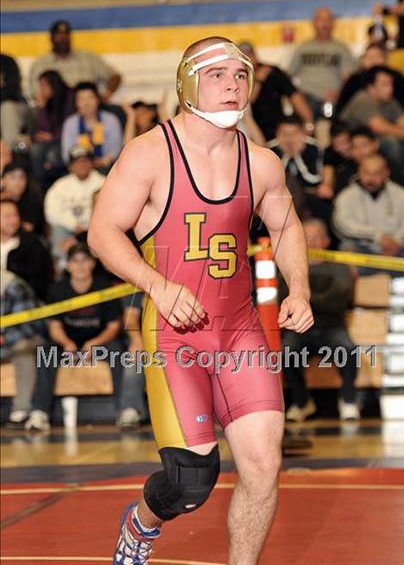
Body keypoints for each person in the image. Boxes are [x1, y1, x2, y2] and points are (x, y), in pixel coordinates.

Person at [89, 36, 313, 565]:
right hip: (173, 332)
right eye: (218, 75)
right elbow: (102, 233)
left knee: (262, 466)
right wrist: (158, 285)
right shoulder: (149, 153)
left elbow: (286, 227)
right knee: (191, 482)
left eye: (240, 75)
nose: (232, 85)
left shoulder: (261, 163)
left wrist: (298, 287)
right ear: (189, 82)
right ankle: (142, 523)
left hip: (238, 331)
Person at [25, 243, 124, 432]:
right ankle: (39, 413)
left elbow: (114, 326)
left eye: (84, 261)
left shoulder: (104, 287)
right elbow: (54, 327)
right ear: (68, 265)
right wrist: (67, 343)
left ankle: (125, 410)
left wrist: (95, 343)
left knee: (118, 350)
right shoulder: (57, 290)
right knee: (46, 353)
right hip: (67, 345)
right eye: (75, 261)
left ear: (92, 263)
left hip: (99, 344)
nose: (80, 266)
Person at [282, 218, 359, 422]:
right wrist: (319, 295)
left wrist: (302, 297)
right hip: (298, 328)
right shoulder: (289, 268)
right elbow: (282, 294)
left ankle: (348, 401)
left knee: (349, 350)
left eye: (316, 238)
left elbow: (339, 299)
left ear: (326, 241)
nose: (312, 243)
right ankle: (302, 402)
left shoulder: (338, 266)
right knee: (286, 352)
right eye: (306, 238)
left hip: (331, 326)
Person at [333, 154, 404, 275]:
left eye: (377, 173)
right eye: (366, 173)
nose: (370, 178)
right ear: (359, 172)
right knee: (347, 248)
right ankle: (350, 293)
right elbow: (343, 225)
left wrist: (397, 241)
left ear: (386, 173)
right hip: (365, 250)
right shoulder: (346, 196)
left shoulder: (402, 195)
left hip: (399, 250)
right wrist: (378, 237)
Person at [340, 66, 404, 165]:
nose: (390, 88)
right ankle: (395, 176)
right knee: (391, 142)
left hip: (374, 140)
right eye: (385, 84)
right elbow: (380, 127)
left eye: (391, 84)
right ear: (371, 88)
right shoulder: (363, 99)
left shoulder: (390, 100)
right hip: (351, 144)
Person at [238, 41, 313, 141]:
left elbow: (294, 95)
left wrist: (308, 122)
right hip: (249, 131)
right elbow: (246, 104)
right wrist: (259, 81)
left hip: (277, 132)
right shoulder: (236, 76)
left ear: (255, 56)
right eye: (243, 57)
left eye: (250, 55)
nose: (248, 60)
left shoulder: (271, 71)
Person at [28, 20, 121, 100]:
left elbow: (115, 76)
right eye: (59, 35)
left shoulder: (88, 58)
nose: (63, 38)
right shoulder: (41, 63)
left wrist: (105, 96)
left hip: (87, 111)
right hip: (56, 113)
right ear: (51, 38)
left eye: (66, 34)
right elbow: (34, 93)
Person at [288, 7, 355, 120]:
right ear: (314, 23)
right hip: (306, 98)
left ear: (333, 23)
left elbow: (348, 78)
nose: (325, 24)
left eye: (328, 19)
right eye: (320, 19)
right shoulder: (303, 48)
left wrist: (340, 94)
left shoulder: (342, 48)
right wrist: (298, 96)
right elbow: (288, 75)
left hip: (333, 100)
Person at [44, 145, 104, 267]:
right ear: (70, 166)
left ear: (92, 163)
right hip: (67, 228)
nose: (81, 165)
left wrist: (87, 226)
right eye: (77, 162)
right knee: (57, 230)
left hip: (94, 227)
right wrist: (72, 224)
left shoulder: (103, 181)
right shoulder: (60, 185)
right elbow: (51, 212)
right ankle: (62, 267)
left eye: (85, 161)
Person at [1, 270, 44, 427]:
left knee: (23, 349)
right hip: (4, 342)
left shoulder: (14, 286)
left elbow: (28, 328)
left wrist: (3, 338)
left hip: (27, 338)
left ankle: (22, 410)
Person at [335, 43, 404, 118]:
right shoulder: (355, 80)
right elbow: (344, 106)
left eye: (378, 56)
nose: (373, 61)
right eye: (369, 57)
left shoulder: (396, 77)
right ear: (362, 61)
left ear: (385, 60)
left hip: (394, 118)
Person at [61, 82, 123, 173]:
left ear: (98, 100)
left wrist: (105, 160)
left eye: (90, 98)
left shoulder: (111, 120)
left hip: (106, 165)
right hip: (80, 167)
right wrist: (82, 165)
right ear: (76, 103)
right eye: (81, 99)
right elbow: (66, 152)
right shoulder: (70, 123)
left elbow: (116, 147)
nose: (86, 103)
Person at [29, 70, 74, 188]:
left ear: (54, 84)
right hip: (52, 140)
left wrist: (53, 136)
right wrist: (42, 107)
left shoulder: (69, 97)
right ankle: (41, 186)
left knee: (52, 155)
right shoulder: (48, 101)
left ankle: (57, 185)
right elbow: (45, 128)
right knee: (35, 150)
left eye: (44, 85)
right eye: (40, 86)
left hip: (67, 139)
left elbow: (70, 124)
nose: (41, 90)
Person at [0, 199, 53, 300]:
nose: (13, 220)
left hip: (23, 302)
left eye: (15, 215)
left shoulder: (32, 244)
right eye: (7, 216)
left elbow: (42, 281)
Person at [117, 292, 150, 430]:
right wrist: (138, 341)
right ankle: (130, 410)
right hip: (146, 341)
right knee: (134, 357)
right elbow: (130, 319)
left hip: (174, 342)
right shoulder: (139, 287)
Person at [1, 162, 45, 234]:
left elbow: (28, 228)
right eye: (13, 177)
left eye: (22, 177)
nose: (17, 182)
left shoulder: (32, 202)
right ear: (2, 180)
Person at [0, 54, 28, 148]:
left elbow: (12, 91)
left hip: (13, 105)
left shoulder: (7, 62)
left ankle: (11, 152)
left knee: (7, 108)